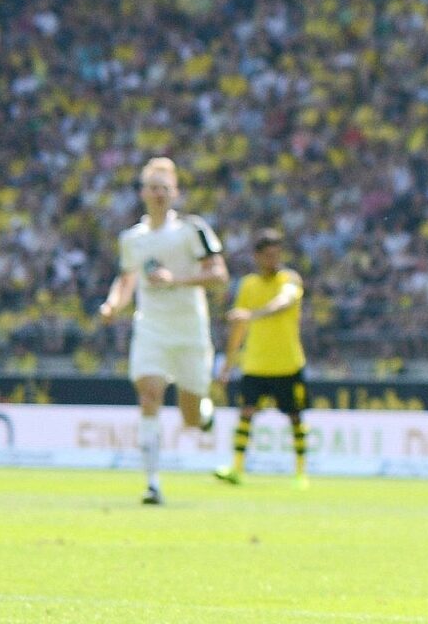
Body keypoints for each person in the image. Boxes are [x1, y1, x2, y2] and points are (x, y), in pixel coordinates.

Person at [97, 156, 227, 505]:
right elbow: (127, 280)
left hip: (189, 330)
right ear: (142, 193)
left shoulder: (192, 229)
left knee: (189, 418)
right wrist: (113, 305)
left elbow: (219, 274)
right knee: (150, 395)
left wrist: (176, 280)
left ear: (175, 193)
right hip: (151, 328)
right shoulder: (133, 238)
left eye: (164, 188)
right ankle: (152, 484)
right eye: (152, 188)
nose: (158, 194)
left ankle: (202, 415)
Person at [217, 229, 311, 488]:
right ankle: (237, 469)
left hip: (287, 363)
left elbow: (284, 302)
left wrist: (252, 315)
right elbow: (238, 327)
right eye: (268, 255)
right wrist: (228, 363)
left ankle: (301, 473)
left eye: (277, 254)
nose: (273, 260)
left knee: (295, 417)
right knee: (246, 414)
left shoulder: (289, 278)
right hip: (255, 363)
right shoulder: (248, 284)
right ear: (257, 256)